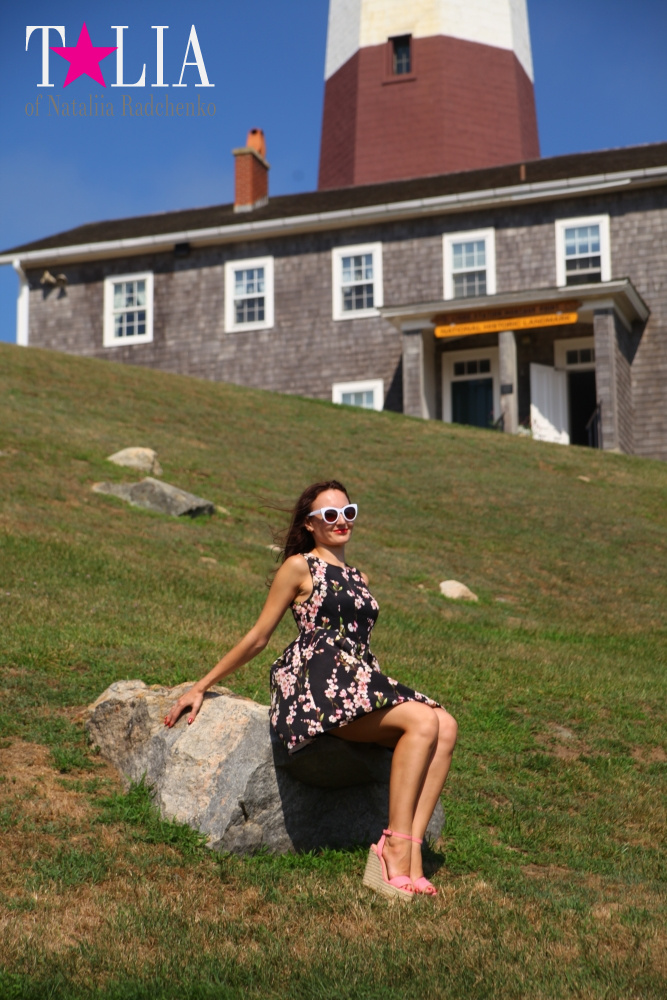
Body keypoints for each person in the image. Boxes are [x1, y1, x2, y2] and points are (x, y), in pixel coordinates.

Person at [164, 480, 457, 900]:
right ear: (311, 524)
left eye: (348, 512)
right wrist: (201, 686)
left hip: (355, 681)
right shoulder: (300, 567)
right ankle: (393, 846)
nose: (341, 522)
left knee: (446, 726)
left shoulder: (360, 576)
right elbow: (259, 636)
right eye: (330, 515)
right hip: (315, 687)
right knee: (424, 720)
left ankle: (410, 856)